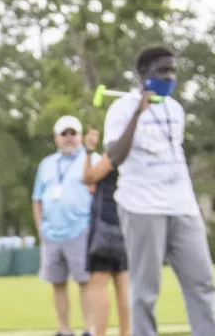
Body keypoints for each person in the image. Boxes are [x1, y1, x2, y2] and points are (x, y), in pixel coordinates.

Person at [103, 46, 215, 336]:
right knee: (145, 289)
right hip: (142, 206)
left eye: (173, 71)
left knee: (202, 282)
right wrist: (137, 114)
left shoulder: (176, 108)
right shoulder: (120, 108)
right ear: (143, 74)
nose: (169, 77)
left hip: (182, 205)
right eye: (162, 71)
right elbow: (114, 157)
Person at [33, 115, 94, 336]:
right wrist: (41, 228)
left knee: (85, 282)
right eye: (64, 134)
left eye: (73, 133)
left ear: (80, 137)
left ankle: (89, 329)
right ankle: (64, 330)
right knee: (57, 283)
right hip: (52, 233)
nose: (69, 138)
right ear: (56, 137)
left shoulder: (91, 159)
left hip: (81, 230)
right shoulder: (46, 164)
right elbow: (37, 199)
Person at [82, 126, 131, 336]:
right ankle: (126, 332)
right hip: (126, 223)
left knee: (99, 283)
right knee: (123, 282)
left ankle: (100, 333)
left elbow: (89, 177)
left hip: (105, 225)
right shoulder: (134, 155)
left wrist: (89, 151)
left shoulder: (114, 152)